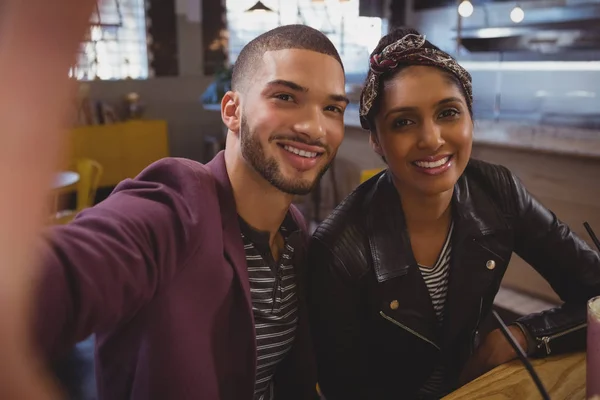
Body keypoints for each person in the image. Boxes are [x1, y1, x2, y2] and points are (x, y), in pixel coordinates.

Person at [16, 23, 347, 400]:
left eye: (332, 108)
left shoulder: (294, 232)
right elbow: (53, 274)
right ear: (232, 110)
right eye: (286, 97)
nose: (313, 127)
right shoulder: (179, 201)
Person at [307, 27, 600, 400]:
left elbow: (595, 295)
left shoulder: (497, 191)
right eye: (404, 121)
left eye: (448, 113)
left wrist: (519, 336)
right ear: (377, 141)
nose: (432, 139)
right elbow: (343, 389)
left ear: (470, 120)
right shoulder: (339, 250)